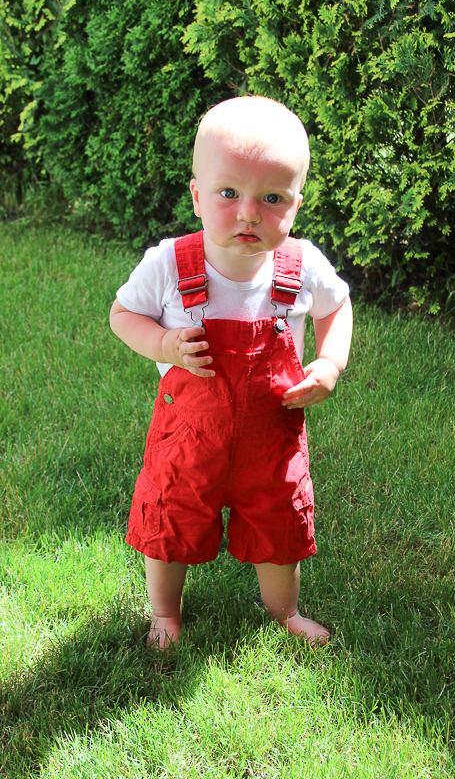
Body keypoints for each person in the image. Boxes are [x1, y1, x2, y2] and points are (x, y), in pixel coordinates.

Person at [110, 96, 352, 649]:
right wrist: (164, 343)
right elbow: (122, 315)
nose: (249, 213)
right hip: (190, 436)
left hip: (271, 437)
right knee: (172, 514)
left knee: (278, 521)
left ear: (296, 204)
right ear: (197, 196)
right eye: (228, 194)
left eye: (271, 198)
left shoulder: (303, 266)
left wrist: (330, 362)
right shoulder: (168, 264)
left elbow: (337, 307)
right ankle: (165, 614)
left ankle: (284, 611)